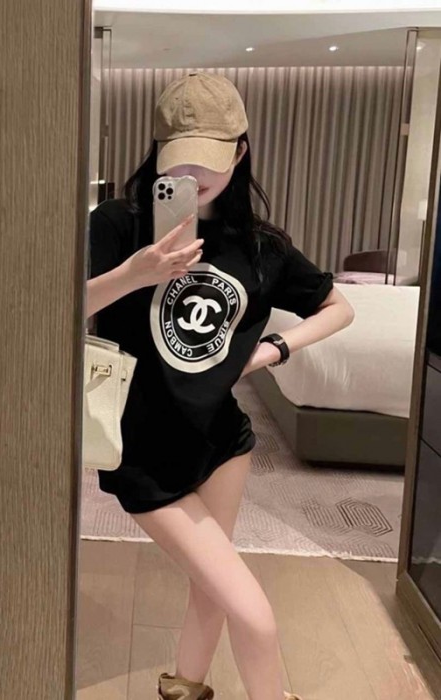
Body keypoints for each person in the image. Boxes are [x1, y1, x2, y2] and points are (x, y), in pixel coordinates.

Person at [86, 72, 355, 700]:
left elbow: (339, 308)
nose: (194, 175)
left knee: (211, 590)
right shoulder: (120, 224)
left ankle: (185, 686)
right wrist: (136, 274)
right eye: (179, 159)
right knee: (254, 614)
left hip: (222, 441)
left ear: (239, 152)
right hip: (140, 451)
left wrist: (270, 351)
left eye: (209, 158)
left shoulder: (261, 247)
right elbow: (61, 311)